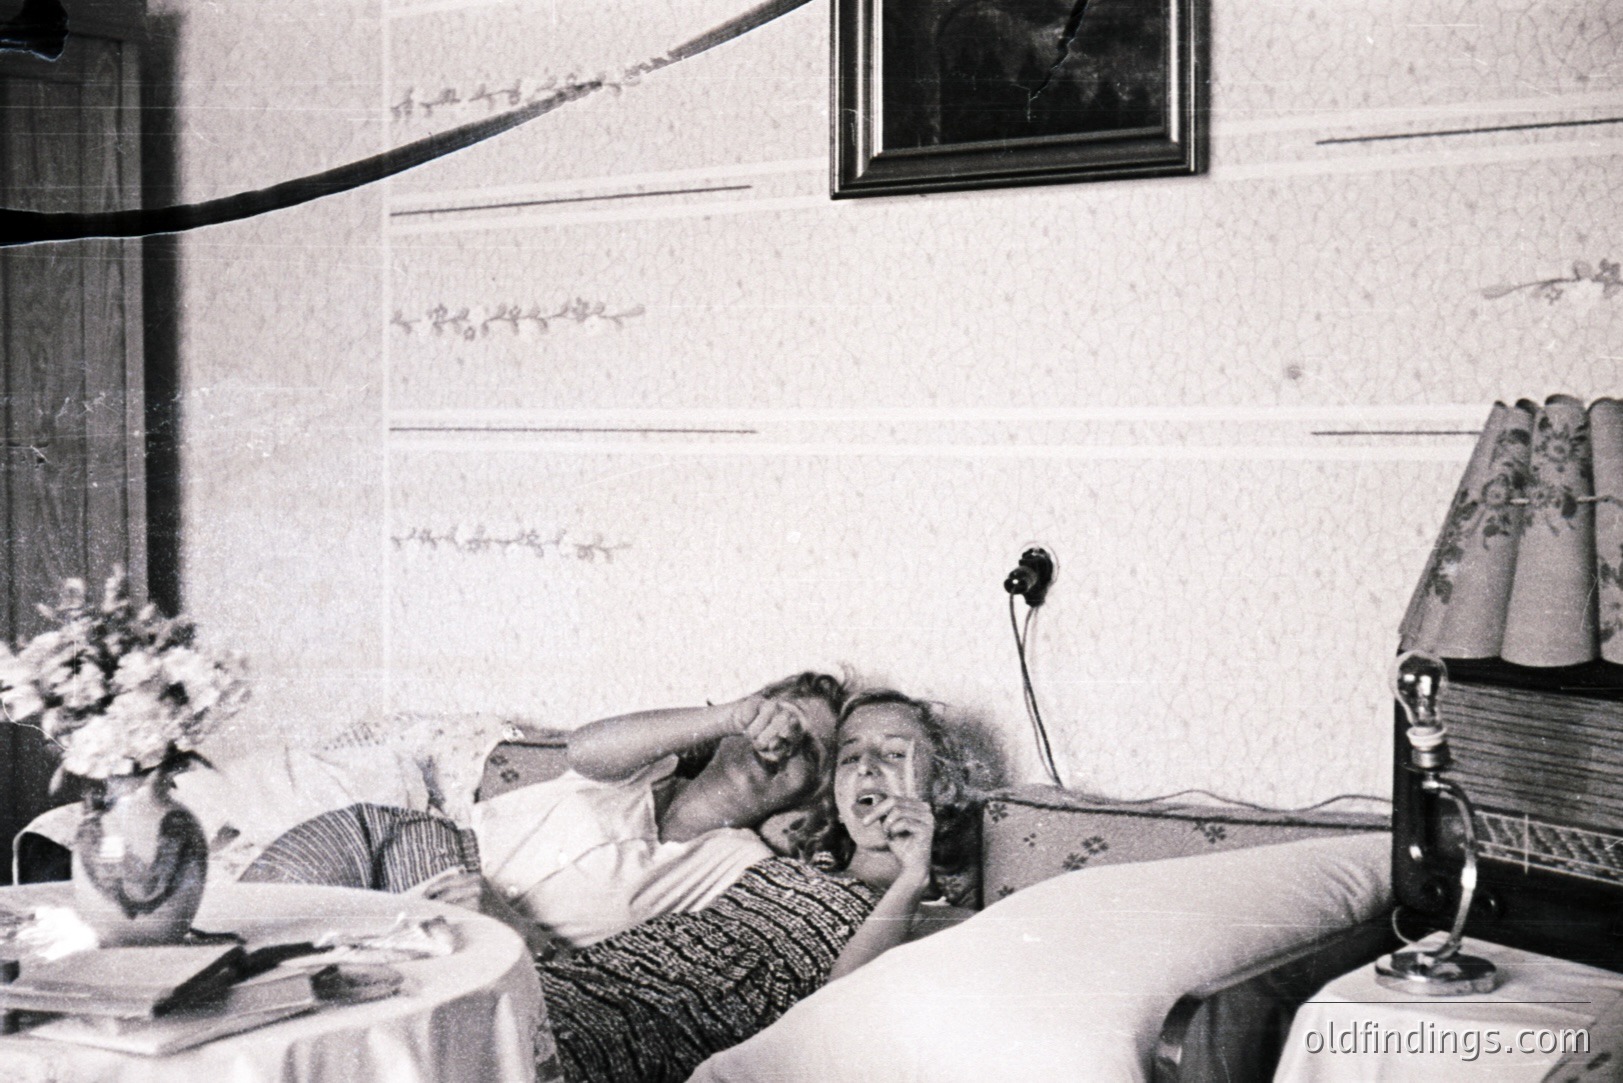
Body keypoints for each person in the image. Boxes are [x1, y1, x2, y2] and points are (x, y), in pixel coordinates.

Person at [533, 690, 986, 1083]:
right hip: (586, 983)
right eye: (849, 756)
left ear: (941, 786)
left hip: (651, 1035)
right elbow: (591, 751)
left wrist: (910, 880)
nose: (866, 767)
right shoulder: (782, 859)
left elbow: (838, 1004)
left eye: (892, 754)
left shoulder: (937, 916)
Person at [470, 672, 848, 949]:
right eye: (778, 717)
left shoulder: (739, 864)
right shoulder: (642, 767)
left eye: (811, 753)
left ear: (811, 795)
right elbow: (582, 749)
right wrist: (732, 718)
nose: (781, 740)